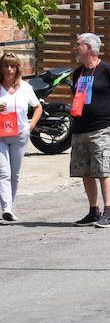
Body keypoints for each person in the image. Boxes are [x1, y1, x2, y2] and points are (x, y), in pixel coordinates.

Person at [69, 33, 110, 228]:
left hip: (101, 128)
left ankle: (109, 213)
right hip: (80, 128)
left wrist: (106, 112)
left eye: (78, 45)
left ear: (90, 47)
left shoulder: (108, 71)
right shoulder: (78, 73)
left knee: (103, 170)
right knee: (85, 171)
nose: (75, 48)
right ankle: (93, 211)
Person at [0, 53, 40, 223]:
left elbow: (38, 108)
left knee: (15, 174)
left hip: (20, 135)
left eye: (12, 66)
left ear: (17, 68)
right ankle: (6, 208)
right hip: (0, 135)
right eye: (6, 66)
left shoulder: (25, 87)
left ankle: (11, 205)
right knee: (3, 173)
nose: (9, 69)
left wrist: (30, 126)